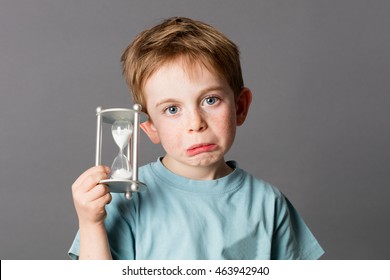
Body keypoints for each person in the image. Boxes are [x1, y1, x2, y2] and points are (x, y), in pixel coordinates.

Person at [68, 17, 324, 260]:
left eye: (210, 100)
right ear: (150, 127)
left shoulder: (268, 203)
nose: (196, 124)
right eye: (172, 109)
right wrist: (90, 223)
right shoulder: (126, 197)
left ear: (240, 107)